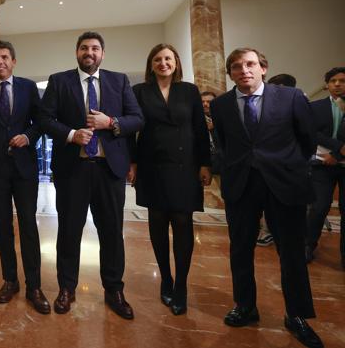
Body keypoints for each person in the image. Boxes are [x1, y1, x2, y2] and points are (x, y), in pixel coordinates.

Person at [210, 48, 322, 348]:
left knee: (292, 253)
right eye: (235, 67)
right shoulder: (220, 105)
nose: (243, 70)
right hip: (241, 186)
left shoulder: (291, 97)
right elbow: (221, 142)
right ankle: (245, 306)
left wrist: (289, 165)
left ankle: (296, 315)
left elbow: (307, 138)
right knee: (240, 250)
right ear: (230, 73)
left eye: (249, 64)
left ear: (263, 68)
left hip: (284, 184)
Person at [39, 31, 144, 319]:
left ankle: (114, 290)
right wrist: (72, 134)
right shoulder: (59, 80)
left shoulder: (119, 80)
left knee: (112, 233)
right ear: (77, 52)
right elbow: (45, 119)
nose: (90, 52)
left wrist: (110, 122)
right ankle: (66, 288)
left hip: (109, 171)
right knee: (69, 231)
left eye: (95, 48)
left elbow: (137, 118)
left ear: (102, 53)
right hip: (73, 170)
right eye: (84, 48)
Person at [129, 43, 211, 316]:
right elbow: (131, 131)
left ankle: (182, 286)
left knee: (183, 222)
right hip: (152, 165)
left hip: (185, 166)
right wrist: (132, 163)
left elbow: (200, 128)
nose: (163, 63)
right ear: (151, 65)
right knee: (157, 222)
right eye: (157, 59)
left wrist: (205, 163)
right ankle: (166, 278)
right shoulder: (139, 91)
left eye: (168, 58)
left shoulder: (189, 90)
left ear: (175, 62)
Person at [0, 41, 50, 314]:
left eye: (5, 57)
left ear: (14, 61)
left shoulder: (28, 87)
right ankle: (10, 280)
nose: (0, 62)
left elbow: (41, 122)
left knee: (28, 225)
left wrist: (28, 136)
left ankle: (34, 285)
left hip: (24, 169)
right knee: (2, 227)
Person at [306, 67, 345, 268]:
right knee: (319, 207)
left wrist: (337, 155)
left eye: (342, 81)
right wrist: (339, 149)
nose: (337, 84)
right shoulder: (316, 106)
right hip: (322, 164)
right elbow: (312, 133)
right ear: (327, 84)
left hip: (339, 161)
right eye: (333, 81)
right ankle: (307, 247)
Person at [254, 73, 299, 247]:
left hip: (289, 168)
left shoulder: (298, 105)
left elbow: (306, 137)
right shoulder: (264, 106)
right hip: (266, 166)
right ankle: (267, 232)